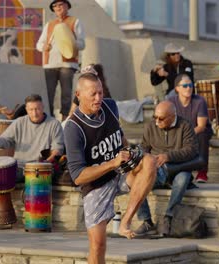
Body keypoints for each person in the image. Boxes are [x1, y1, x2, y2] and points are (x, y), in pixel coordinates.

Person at [64, 69, 157, 264]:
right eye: (93, 94)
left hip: (120, 172)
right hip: (96, 184)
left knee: (149, 161)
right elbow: (78, 177)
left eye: (100, 92)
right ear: (78, 95)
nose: (98, 98)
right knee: (98, 247)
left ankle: (126, 222)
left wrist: (129, 151)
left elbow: (119, 135)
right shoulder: (73, 128)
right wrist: (111, 163)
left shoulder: (110, 106)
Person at [134, 101, 198, 236]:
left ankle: (168, 218)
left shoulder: (185, 126)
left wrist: (168, 156)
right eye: (155, 117)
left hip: (178, 169)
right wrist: (140, 156)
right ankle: (147, 221)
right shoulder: (151, 126)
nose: (157, 121)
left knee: (182, 179)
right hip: (157, 170)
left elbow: (191, 150)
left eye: (161, 118)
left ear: (173, 116)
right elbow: (144, 147)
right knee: (136, 181)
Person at [0, 94, 64, 180]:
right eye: (31, 110)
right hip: (19, 167)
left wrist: (46, 163)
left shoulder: (54, 124)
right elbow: (6, 139)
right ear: (26, 109)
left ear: (43, 107)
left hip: (41, 169)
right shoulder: (19, 122)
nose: (34, 113)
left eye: (37, 109)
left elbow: (57, 149)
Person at [36, 0, 85, 121]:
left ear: (67, 6)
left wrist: (70, 41)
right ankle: (49, 119)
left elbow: (82, 44)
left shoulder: (75, 21)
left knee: (66, 94)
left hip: (68, 64)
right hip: (50, 64)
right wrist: (44, 47)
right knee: (48, 94)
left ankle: (65, 120)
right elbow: (39, 44)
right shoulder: (49, 24)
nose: (58, 7)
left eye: (60, 5)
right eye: (55, 6)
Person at [168, 74, 213, 183]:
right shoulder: (171, 102)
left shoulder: (199, 101)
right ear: (177, 88)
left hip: (198, 130)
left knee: (202, 136)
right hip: (179, 131)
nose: (188, 88)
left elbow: (201, 126)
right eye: (185, 86)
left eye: (190, 85)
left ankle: (202, 172)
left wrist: (185, 135)